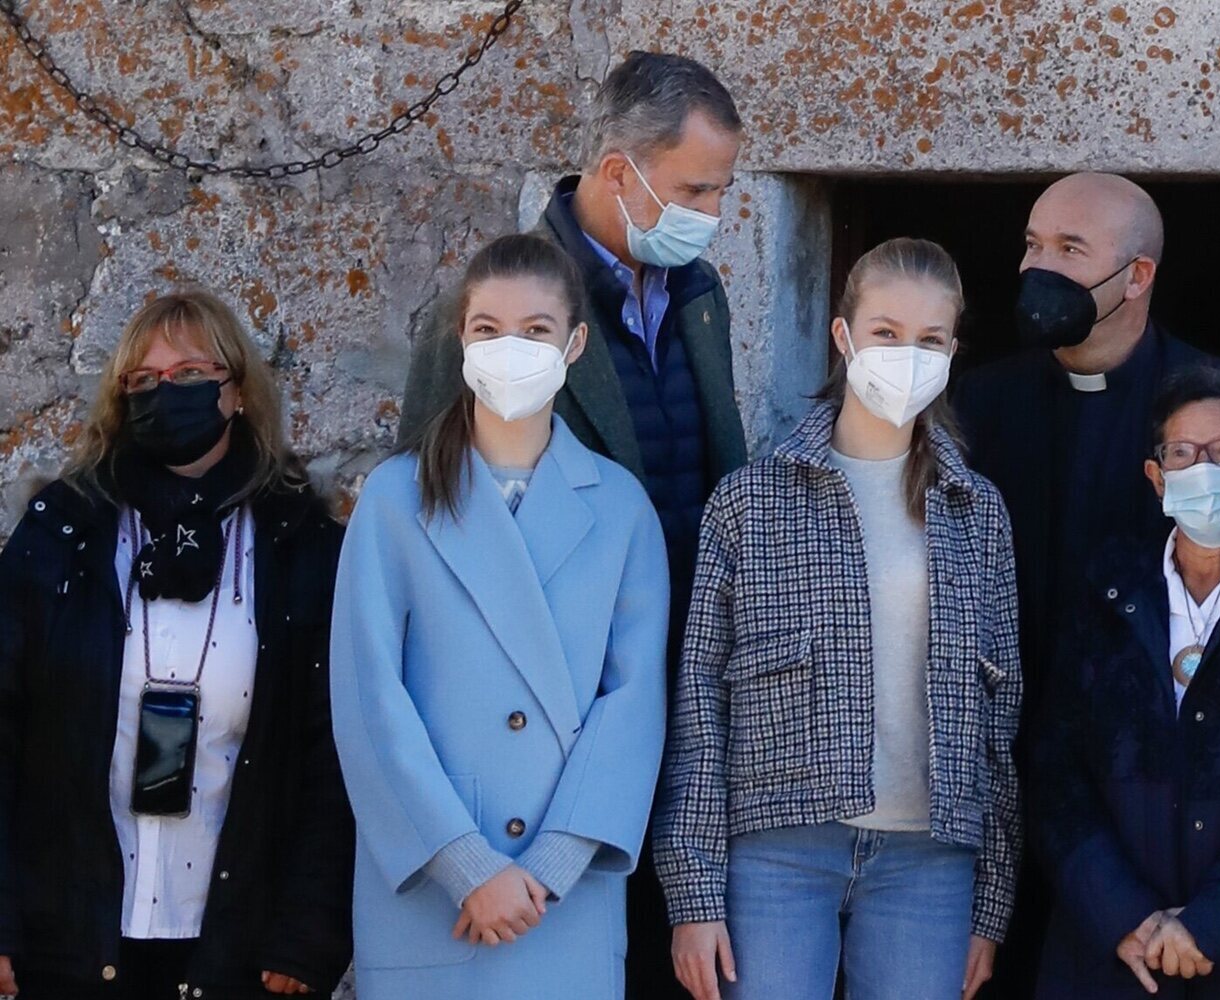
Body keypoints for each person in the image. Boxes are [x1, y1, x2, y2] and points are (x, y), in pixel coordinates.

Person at [397, 51, 746, 995]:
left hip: (682, 683)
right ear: (617, 171)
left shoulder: (700, 296)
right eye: (695, 189)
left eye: (721, 190)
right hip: (551, 716)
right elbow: (431, 504)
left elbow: (721, 470)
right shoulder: (501, 308)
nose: (711, 214)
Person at [658, 238, 1021, 1000]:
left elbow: (1000, 717)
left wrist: (992, 901)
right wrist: (692, 891)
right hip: (778, 850)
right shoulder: (751, 502)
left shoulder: (977, 510)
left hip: (930, 857)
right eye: (887, 333)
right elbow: (698, 702)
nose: (906, 355)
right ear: (843, 335)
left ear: (954, 350)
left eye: (929, 340)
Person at [332, 234, 669, 998]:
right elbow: (369, 704)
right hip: (430, 894)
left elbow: (634, 707)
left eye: (536, 330)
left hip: (565, 902)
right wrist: (467, 865)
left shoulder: (620, 510)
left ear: (575, 343)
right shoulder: (392, 500)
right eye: (487, 329)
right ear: (461, 341)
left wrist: (547, 867)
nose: (509, 348)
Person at [0, 290, 353, 998]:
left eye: (192, 373)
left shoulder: (299, 546)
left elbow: (334, 752)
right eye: (144, 381)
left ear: (237, 393)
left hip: (236, 945)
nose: (167, 393)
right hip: (71, 938)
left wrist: (309, 931)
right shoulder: (62, 535)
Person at [954, 172, 1220, 701]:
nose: (1037, 267)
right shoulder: (978, 404)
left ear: (1137, 276)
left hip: (1165, 738)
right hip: (1013, 720)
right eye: (1033, 244)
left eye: (1070, 249)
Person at [1030, 365, 1220, 999]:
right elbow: (1055, 767)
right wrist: (1122, 914)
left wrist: (1214, 923)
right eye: (1182, 455)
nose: (1204, 472)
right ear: (1157, 477)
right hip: (1105, 953)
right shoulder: (1106, 590)